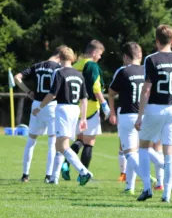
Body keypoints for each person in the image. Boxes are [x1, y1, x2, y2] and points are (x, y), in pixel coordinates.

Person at [135, 25, 172, 203]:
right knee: (169, 151)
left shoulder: (151, 59)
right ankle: (167, 194)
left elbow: (146, 89)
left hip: (155, 107)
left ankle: (147, 188)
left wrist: (140, 115)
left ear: (156, 41)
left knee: (143, 146)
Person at [32, 46, 91, 185]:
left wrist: (39, 107)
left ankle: (84, 171)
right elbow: (84, 98)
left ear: (60, 57)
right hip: (75, 109)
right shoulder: (79, 74)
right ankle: (54, 178)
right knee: (60, 145)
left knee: (63, 146)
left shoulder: (59, 73)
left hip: (63, 109)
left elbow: (52, 94)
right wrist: (83, 117)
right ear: (72, 58)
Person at [61, 40, 109, 180]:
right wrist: (104, 105)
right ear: (94, 53)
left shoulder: (75, 65)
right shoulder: (92, 65)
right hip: (91, 108)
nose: (100, 57)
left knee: (79, 140)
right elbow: (95, 87)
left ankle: (66, 164)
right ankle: (83, 174)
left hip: (76, 108)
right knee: (89, 143)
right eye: (100, 54)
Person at [14, 48, 62, 183]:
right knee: (52, 143)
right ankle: (48, 176)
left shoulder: (37, 66)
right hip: (52, 106)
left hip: (37, 105)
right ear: (59, 56)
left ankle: (25, 175)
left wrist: (28, 91)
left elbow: (17, 77)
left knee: (31, 141)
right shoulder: (58, 68)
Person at [108, 42, 145, 194]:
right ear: (140, 56)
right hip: (144, 115)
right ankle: (130, 186)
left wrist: (111, 112)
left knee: (128, 152)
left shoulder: (123, 71)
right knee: (137, 151)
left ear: (125, 57)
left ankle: (146, 177)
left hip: (127, 114)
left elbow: (111, 92)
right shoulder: (146, 70)